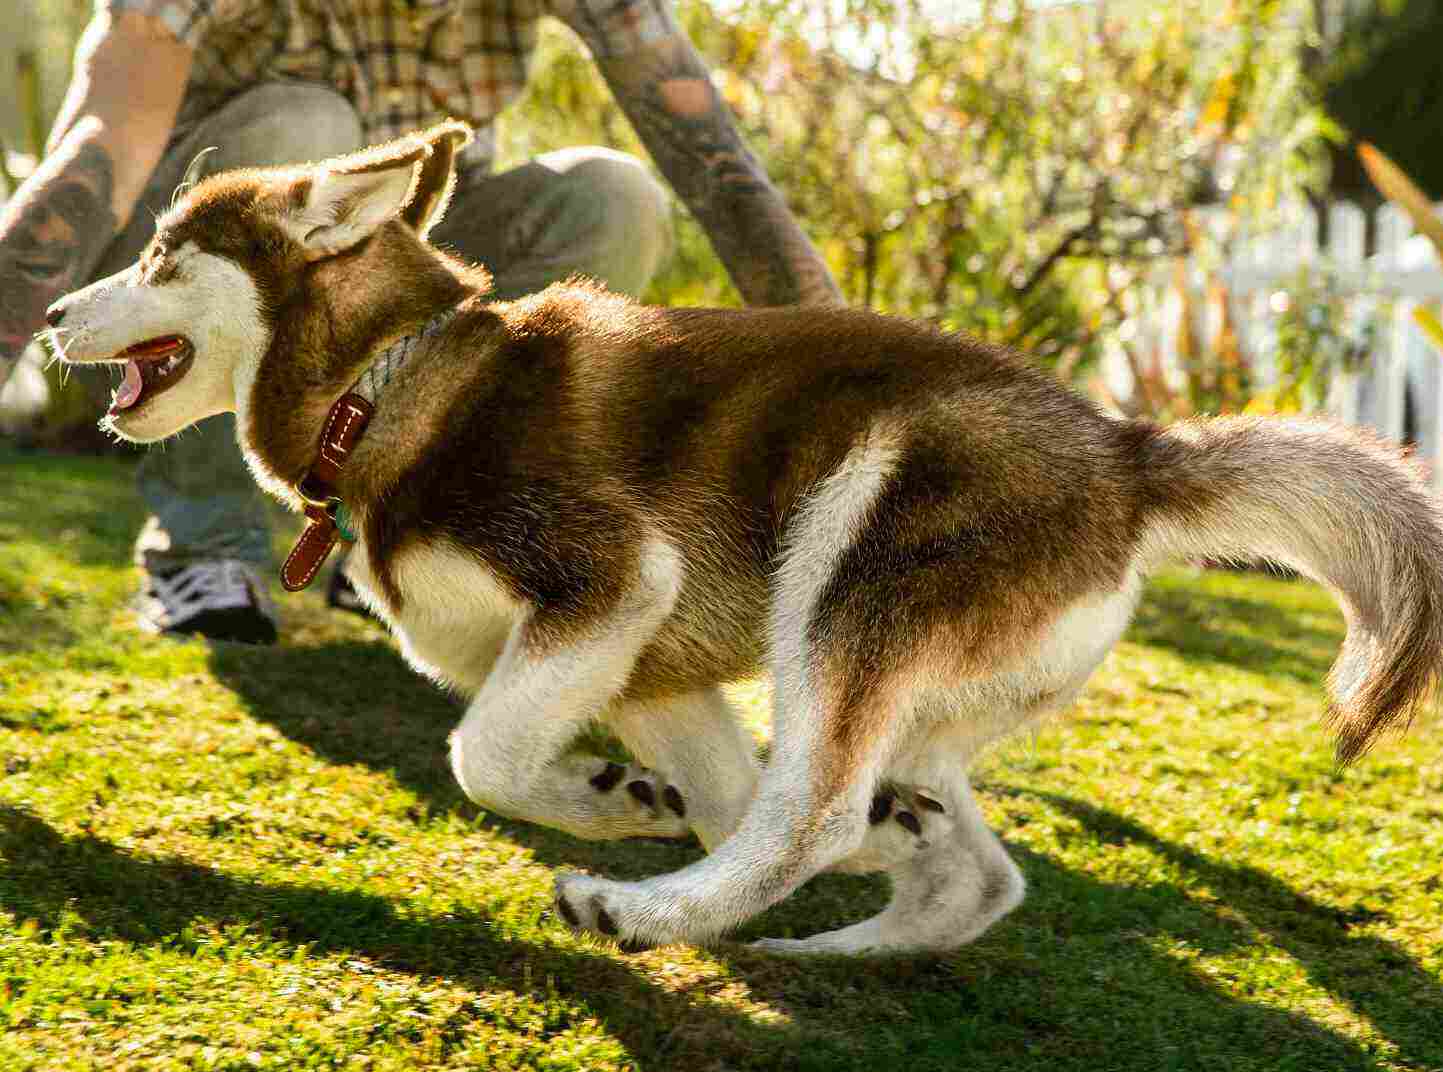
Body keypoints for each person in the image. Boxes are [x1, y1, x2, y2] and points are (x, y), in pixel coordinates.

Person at [1, 0, 842, 643]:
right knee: (307, 125)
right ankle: (206, 550)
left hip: (397, 258)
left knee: (613, 196)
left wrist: (857, 393)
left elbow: (719, 171)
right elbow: (97, 145)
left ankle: (395, 529)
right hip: (205, 242)